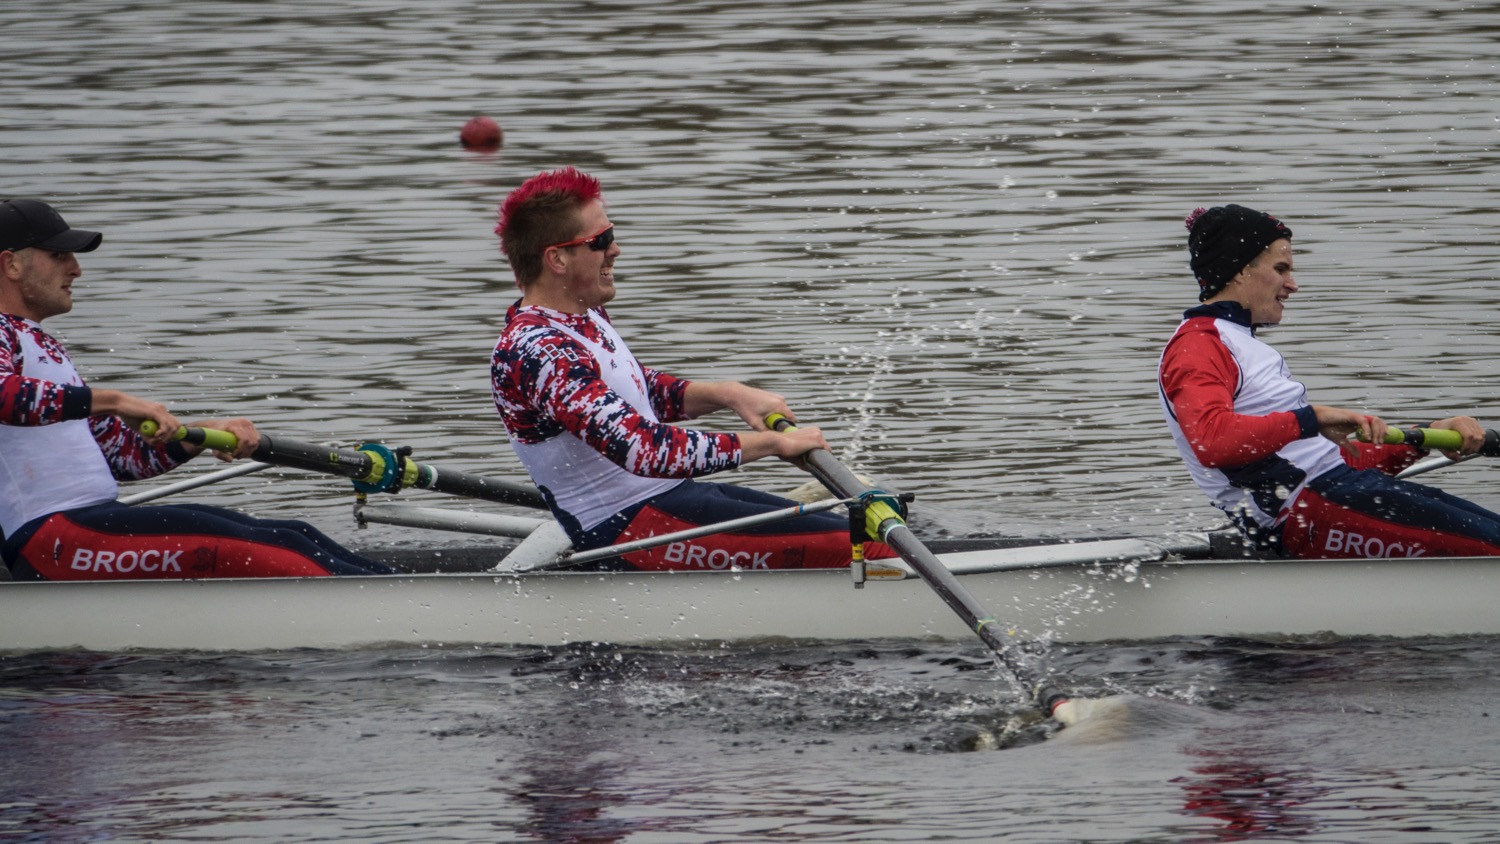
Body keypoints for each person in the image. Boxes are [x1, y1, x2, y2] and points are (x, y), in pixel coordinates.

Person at [490, 167, 895, 570]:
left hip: (664, 503)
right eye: (602, 240)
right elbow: (641, 449)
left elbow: (638, 391)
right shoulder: (537, 350)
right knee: (873, 551)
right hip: (627, 530)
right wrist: (772, 444)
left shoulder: (580, 317)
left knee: (870, 530)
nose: (616, 250)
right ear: (557, 258)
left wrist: (728, 394)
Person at [0, 198, 394, 580]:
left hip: (89, 524)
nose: (77, 269)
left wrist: (200, 436)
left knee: (292, 533)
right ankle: (402, 611)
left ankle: (403, 592)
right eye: (58, 256)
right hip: (50, 541)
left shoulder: (40, 344)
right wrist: (116, 401)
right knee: (264, 551)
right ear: (11, 263)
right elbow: (5, 397)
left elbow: (123, 459)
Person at [1158, 202, 1500, 559]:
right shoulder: (1199, 345)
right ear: (1241, 270)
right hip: (1305, 516)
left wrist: (1426, 435)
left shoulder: (1241, 343)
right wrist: (1313, 418)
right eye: (1281, 269)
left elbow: (1329, 463)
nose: (1293, 285)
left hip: (1332, 497)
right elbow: (1212, 442)